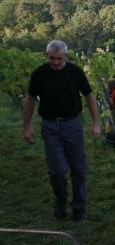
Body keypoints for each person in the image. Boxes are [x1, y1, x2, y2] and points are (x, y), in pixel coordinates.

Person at [22, 40, 101, 221]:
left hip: (73, 124)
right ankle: (60, 200)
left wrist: (96, 123)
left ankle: (79, 208)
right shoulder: (39, 74)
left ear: (65, 56)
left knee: (79, 168)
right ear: (46, 55)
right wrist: (27, 126)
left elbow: (89, 96)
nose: (56, 62)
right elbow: (30, 99)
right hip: (50, 125)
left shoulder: (75, 72)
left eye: (59, 58)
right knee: (56, 171)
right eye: (52, 58)